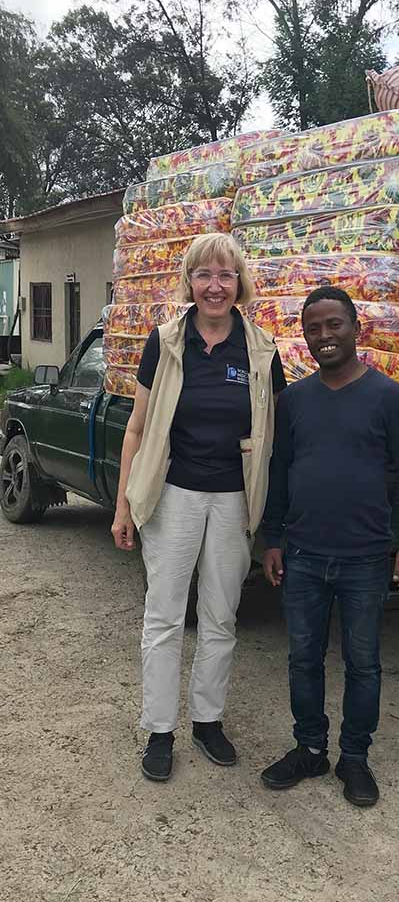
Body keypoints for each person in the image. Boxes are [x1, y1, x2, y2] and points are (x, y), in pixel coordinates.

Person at [111, 232, 287, 782]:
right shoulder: (164, 342)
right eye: (205, 275)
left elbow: (275, 434)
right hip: (174, 497)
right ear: (189, 281)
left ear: (240, 284)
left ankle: (207, 721)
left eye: (226, 275)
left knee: (220, 616)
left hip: (233, 502)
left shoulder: (261, 350)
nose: (215, 286)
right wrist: (122, 508)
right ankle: (159, 730)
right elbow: (137, 429)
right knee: (164, 616)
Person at [260, 286, 399, 807]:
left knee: (363, 663)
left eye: (334, 325)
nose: (324, 336)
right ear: (305, 336)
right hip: (304, 555)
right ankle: (310, 748)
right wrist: (273, 539)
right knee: (303, 659)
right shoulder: (294, 401)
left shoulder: (388, 396)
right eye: (313, 328)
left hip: (365, 558)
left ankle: (354, 757)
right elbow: (279, 473)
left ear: (356, 328)